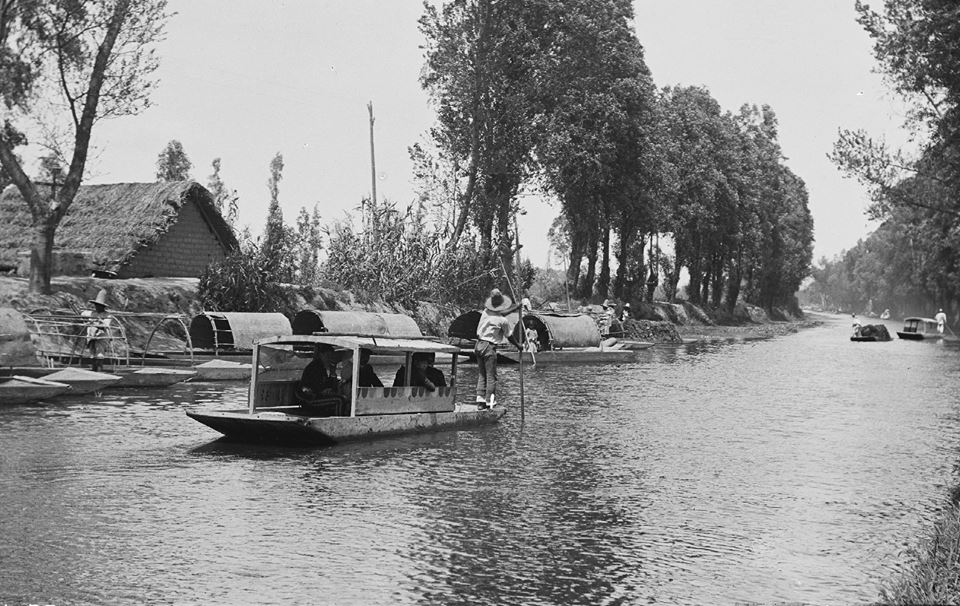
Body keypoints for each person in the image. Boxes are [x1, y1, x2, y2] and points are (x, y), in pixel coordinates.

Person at [475, 288, 521, 409]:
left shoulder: (485, 312)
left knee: (482, 374)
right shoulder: (503, 321)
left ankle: (480, 401)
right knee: (491, 376)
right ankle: (490, 402)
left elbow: (499, 314)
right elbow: (509, 336)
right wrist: (518, 346)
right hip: (489, 347)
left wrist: (515, 309)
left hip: (478, 345)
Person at [81, 289, 115, 372]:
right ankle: (94, 370)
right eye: (96, 305)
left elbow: (105, 325)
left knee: (99, 355)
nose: (97, 307)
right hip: (91, 336)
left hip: (101, 337)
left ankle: (99, 371)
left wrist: (97, 323)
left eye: (99, 305)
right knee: (92, 354)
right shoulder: (92, 313)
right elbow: (82, 314)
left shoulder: (107, 315)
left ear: (103, 307)